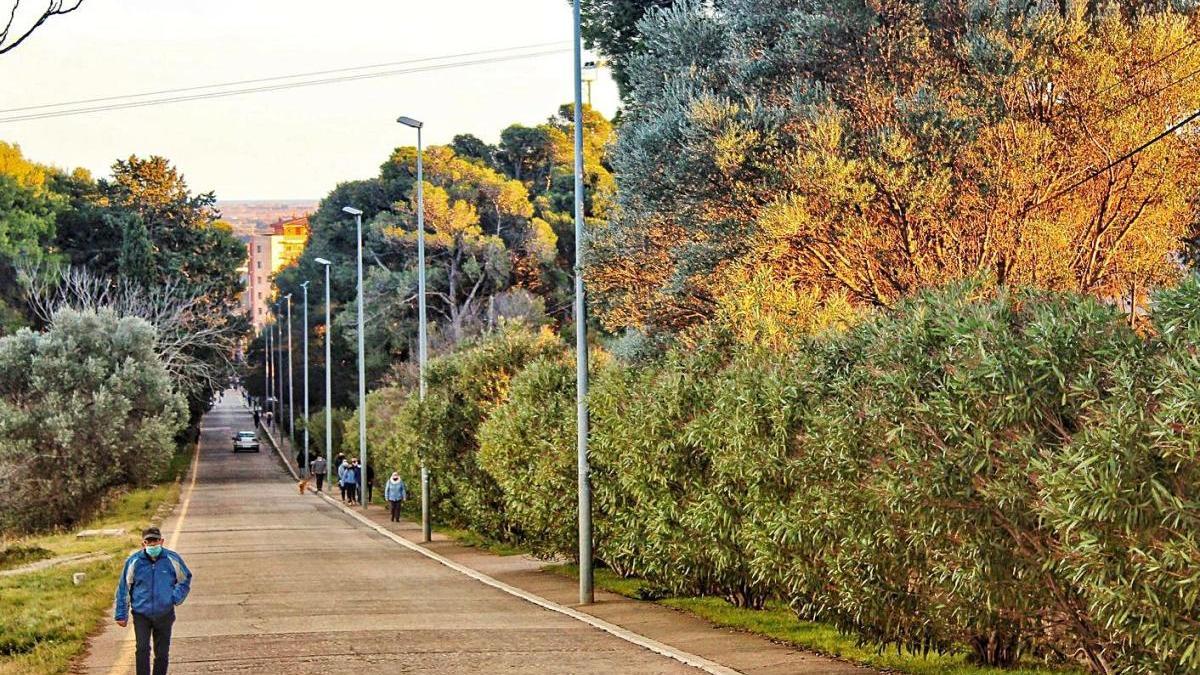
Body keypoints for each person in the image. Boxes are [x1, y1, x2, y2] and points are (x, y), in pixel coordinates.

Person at [114, 527, 193, 675]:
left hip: (165, 613)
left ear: (161, 541)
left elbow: (185, 579)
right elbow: (124, 588)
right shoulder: (134, 562)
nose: (152, 545)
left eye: (155, 541)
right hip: (141, 614)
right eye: (148, 542)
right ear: (143, 544)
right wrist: (121, 614)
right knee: (142, 649)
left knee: (162, 653)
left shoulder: (172, 559)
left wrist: (174, 598)